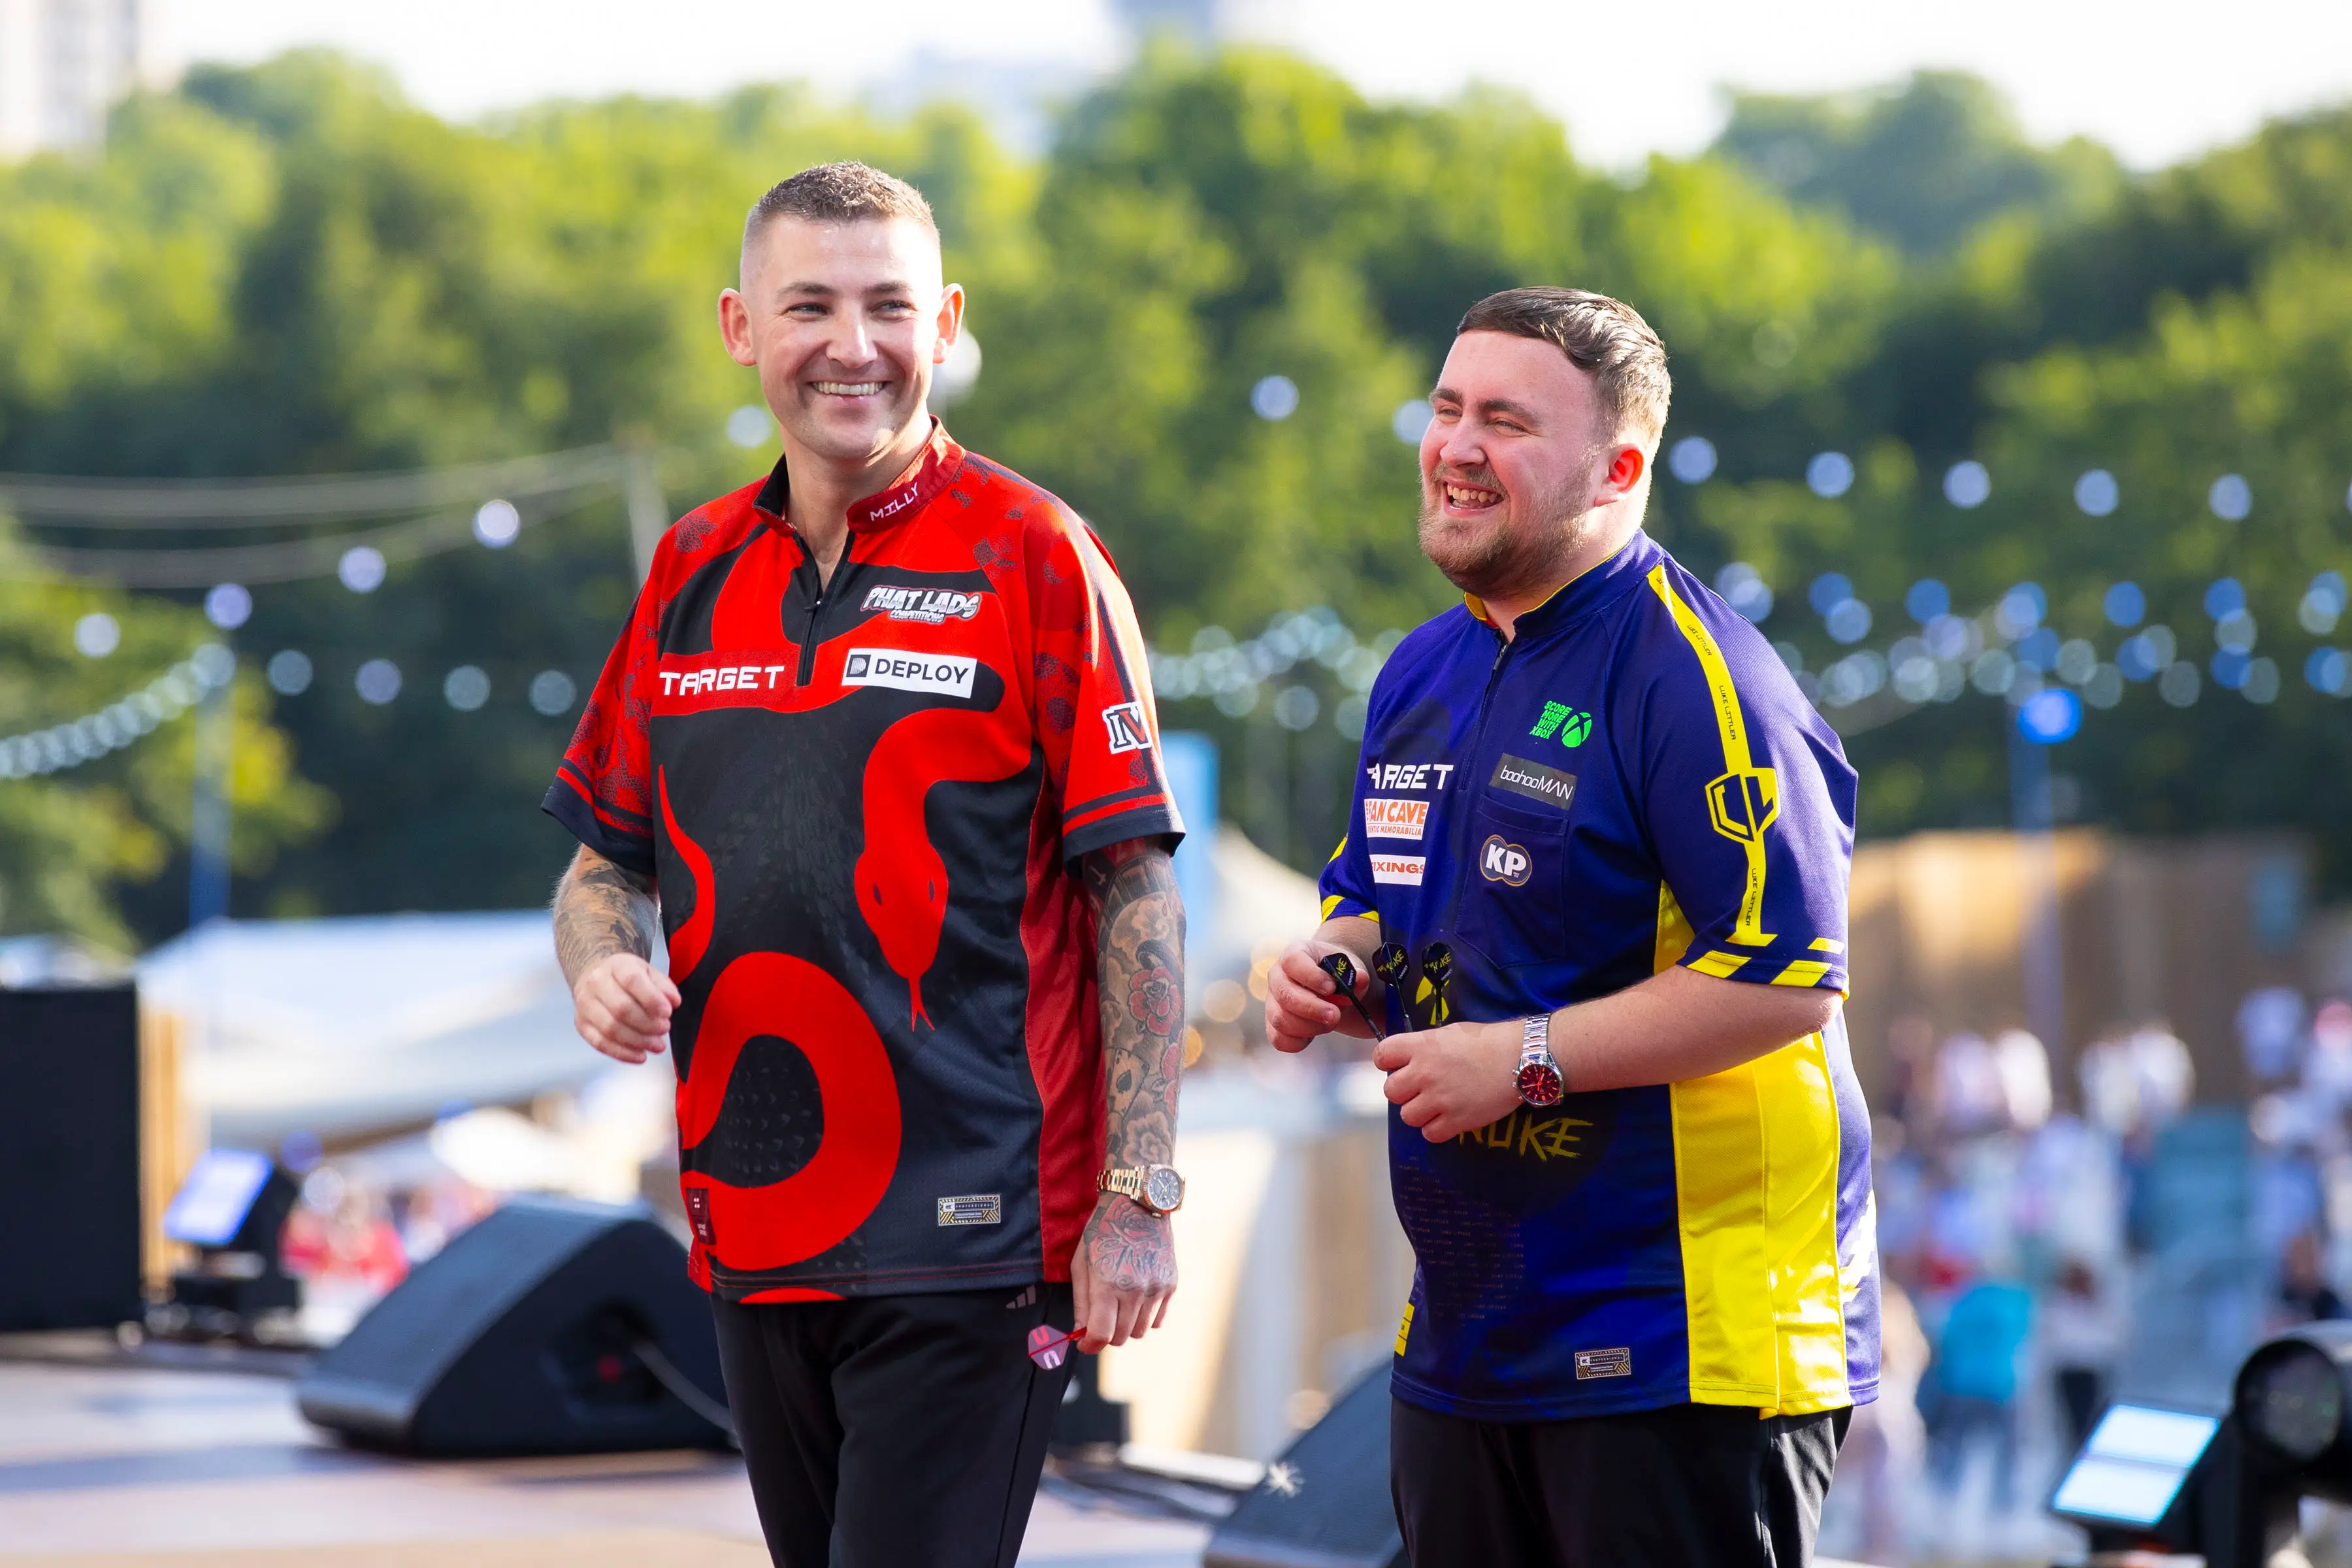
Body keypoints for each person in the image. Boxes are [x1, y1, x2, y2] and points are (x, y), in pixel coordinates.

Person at [544, 162, 1187, 1568]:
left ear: (945, 320)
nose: (853, 345)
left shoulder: (1038, 555)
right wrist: (602, 963)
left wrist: (1137, 1201)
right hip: (753, 1228)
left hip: (980, 1234)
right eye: (811, 306)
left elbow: (1133, 891)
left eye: (889, 305)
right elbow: (605, 860)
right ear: (740, 326)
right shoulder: (688, 570)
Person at [1263, 287, 1876, 1566]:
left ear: (1621, 465)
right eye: (1445, 409)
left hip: (1681, 1349)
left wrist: (1523, 1056)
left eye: (1506, 420)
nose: (1457, 446)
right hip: (1466, 1341)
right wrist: (1336, 969)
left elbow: (1790, 980)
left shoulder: (1699, 674)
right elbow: (1373, 896)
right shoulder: (1420, 671)